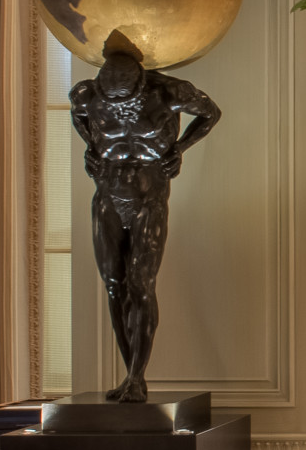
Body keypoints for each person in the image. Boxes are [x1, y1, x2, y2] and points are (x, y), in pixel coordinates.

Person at [69, 43, 221, 400]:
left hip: (148, 198)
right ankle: (129, 375)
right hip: (106, 195)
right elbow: (78, 117)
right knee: (113, 284)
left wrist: (178, 149)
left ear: (140, 80)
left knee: (141, 283)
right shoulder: (86, 95)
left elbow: (211, 113)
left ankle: (137, 376)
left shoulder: (169, 91)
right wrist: (90, 146)